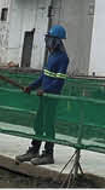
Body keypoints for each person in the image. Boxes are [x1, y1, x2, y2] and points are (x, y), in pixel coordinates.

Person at [14, 25, 70, 165]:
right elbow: (43, 77)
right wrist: (31, 87)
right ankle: (34, 150)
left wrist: (45, 91)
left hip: (51, 97)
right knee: (38, 124)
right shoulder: (52, 57)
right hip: (44, 96)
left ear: (56, 41)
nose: (47, 42)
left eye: (49, 39)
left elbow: (59, 81)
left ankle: (48, 154)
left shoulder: (63, 58)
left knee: (48, 125)